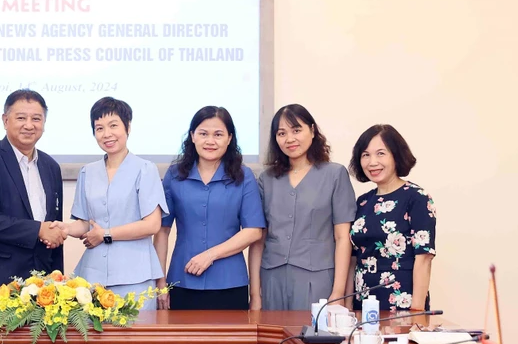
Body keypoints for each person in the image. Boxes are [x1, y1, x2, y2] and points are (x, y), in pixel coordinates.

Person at [0, 89, 65, 308]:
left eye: (36, 118)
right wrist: (38, 230)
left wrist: (57, 282)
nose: (29, 125)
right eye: (21, 118)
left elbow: (53, 227)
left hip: (41, 291)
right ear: (5, 120)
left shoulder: (51, 166)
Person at [155, 106, 266, 311]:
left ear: (229, 138)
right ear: (192, 136)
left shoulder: (244, 176)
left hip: (230, 282)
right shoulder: (175, 175)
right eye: (203, 134)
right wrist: (160, 282)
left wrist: (210, 255)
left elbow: (253, 231)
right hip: (181, 281)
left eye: (218, 134)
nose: (210, 141)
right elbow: (162, 230)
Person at [62, 97, 167, 308]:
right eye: (99, 128)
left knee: (137, 339)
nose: (106, 134)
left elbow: (152, 225)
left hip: (135, 277)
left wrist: (105, 234)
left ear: (128, 127)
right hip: (93, 277)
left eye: (113, 125)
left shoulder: (145, 169)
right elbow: (85, 223)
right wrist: (64, 228)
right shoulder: (87, 172)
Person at [249, 104, 355, 311]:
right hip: (272, 278)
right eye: (281, 133)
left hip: (318, 279)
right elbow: (258, 239)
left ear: (312, 131)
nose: (289, 139)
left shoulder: (334, 174)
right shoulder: (266, 179)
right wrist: (255, 294)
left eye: (296, 130)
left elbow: (343, 238)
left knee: (313, 340)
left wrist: (338, 293)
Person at [348, 125, 436, 311]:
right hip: (362, 301)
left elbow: (424, 258)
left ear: (396, 155)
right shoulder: (362, 202)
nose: (372, 162)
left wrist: (417, 312)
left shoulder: (417, 198)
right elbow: (353, 258)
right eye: (365, 155)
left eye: (380, 153)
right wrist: (347, 306)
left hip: (401, 302)